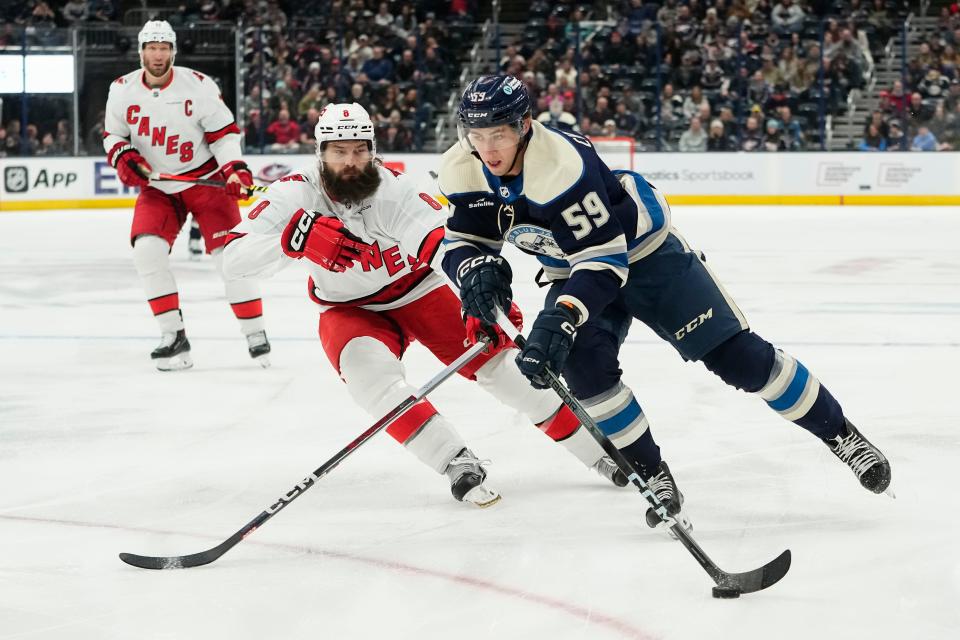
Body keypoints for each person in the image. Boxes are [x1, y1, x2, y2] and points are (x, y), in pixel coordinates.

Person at [438, 75, 893, 531]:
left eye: (499, 133)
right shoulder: (463, 167)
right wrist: (472, 272)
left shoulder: (561, 165)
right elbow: (462, 240)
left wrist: (564, 315)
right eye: (477, 135)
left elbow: (604, 260)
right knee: (584, 371)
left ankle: (841, 435)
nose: (488, 148)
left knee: (739, 359)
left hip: (642, 253)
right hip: (573, 266)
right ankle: (653, 474)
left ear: (525, 125)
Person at [221, 104, 628, 507]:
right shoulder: (291, 194)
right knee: (370, 379)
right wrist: (290, 240)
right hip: (349, 309)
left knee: (503, 370)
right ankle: (454, 461)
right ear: (320, 152)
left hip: (421, 291)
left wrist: (477, 290)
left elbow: (441, 246)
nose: (350, 162)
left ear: (373, 150)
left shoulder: (392, 189)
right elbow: (232, 261)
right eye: (339, 151)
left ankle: (600, 453)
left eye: (360, 150)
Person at [103, 20, 270, 371]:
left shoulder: (199, 85)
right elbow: (113, 136)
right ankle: (173, 336)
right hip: (159, 188)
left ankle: (255, 332)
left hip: (206, 183)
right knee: (147, 252)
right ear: (141, 52)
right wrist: (124, 156)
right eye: (152, 48)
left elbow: (224, 135)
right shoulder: (121, 90)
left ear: (173, 51)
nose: (158, 55)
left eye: (164, 48)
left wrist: (234, 169)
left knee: (231, 261)